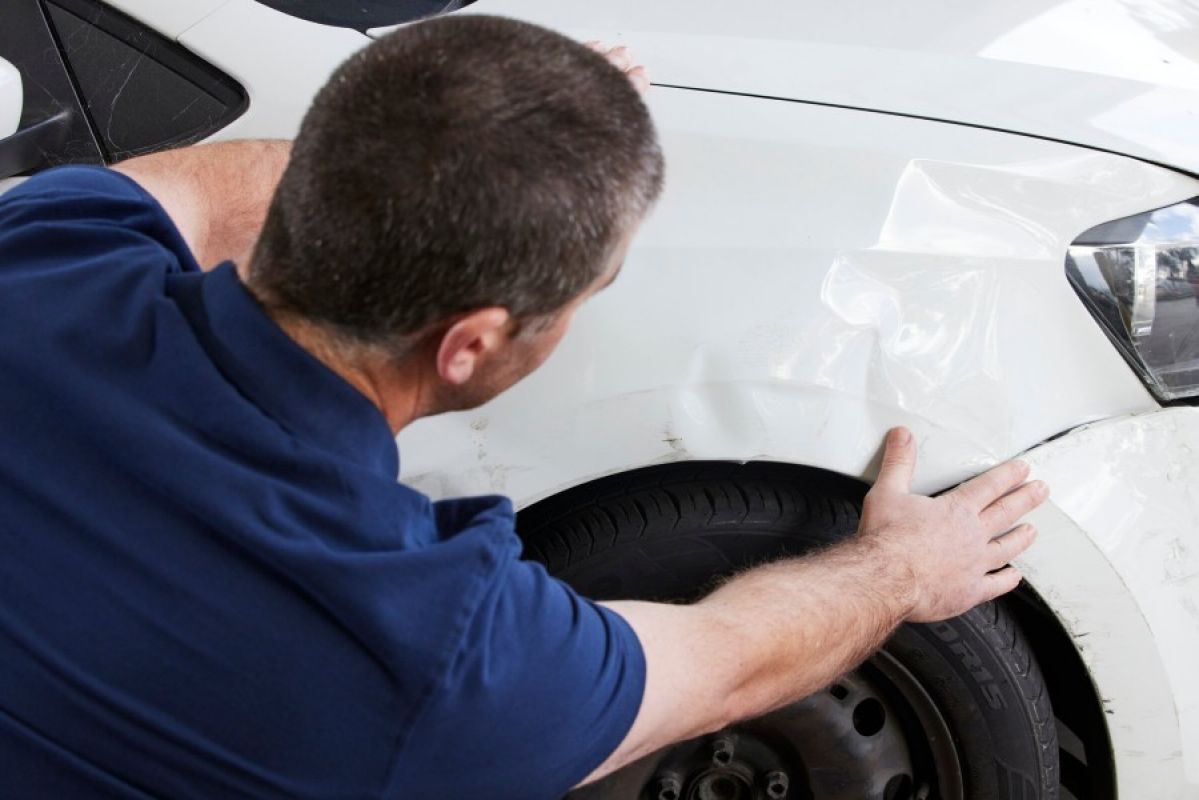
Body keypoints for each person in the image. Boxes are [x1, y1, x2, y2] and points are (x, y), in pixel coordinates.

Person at [0, 14, 1046, 799]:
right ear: (470, 345)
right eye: (583, 294)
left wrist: (469, 135)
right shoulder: (445, 656)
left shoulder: (43, 264)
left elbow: (188, 189)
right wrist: (905, 565)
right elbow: (728, 661)